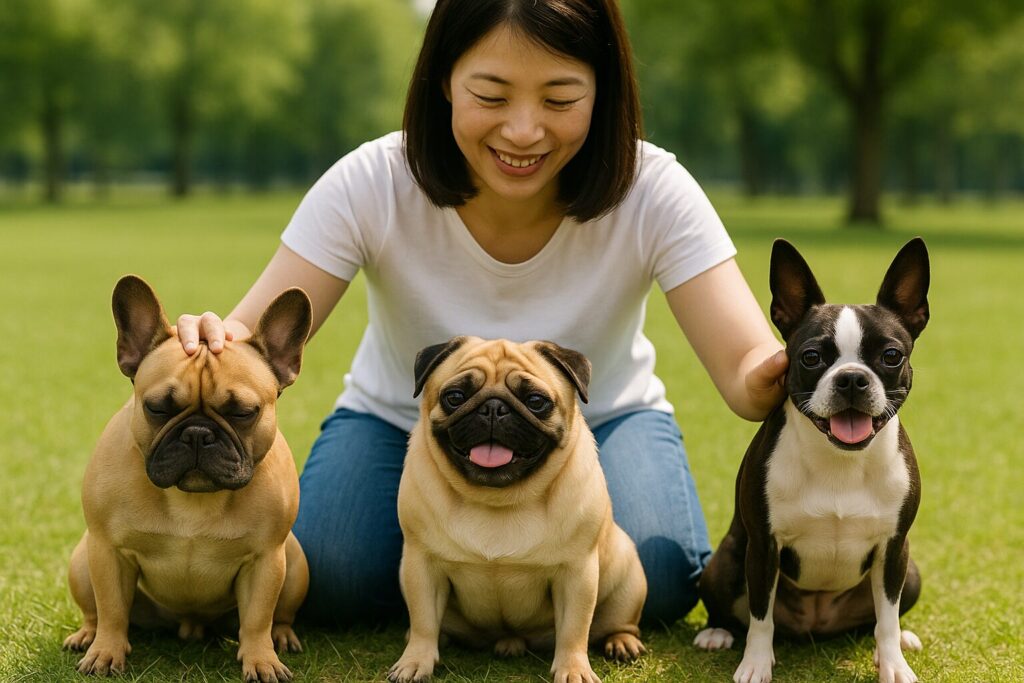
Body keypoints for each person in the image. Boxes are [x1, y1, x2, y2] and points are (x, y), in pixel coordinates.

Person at [176, 0, 787, 627]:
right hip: (398, 421)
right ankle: (464, 593)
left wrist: (779, 370)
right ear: (444, 79)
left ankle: (478, 595)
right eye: (492, 97)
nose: (523, 131)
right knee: (333, 577)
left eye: (559, 99)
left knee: (654, 583)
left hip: (605, 421)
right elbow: (248, 336)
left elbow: (747, 365)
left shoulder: (653, 187)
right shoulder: (372, 180)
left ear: (603, 90)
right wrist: (212, 337)